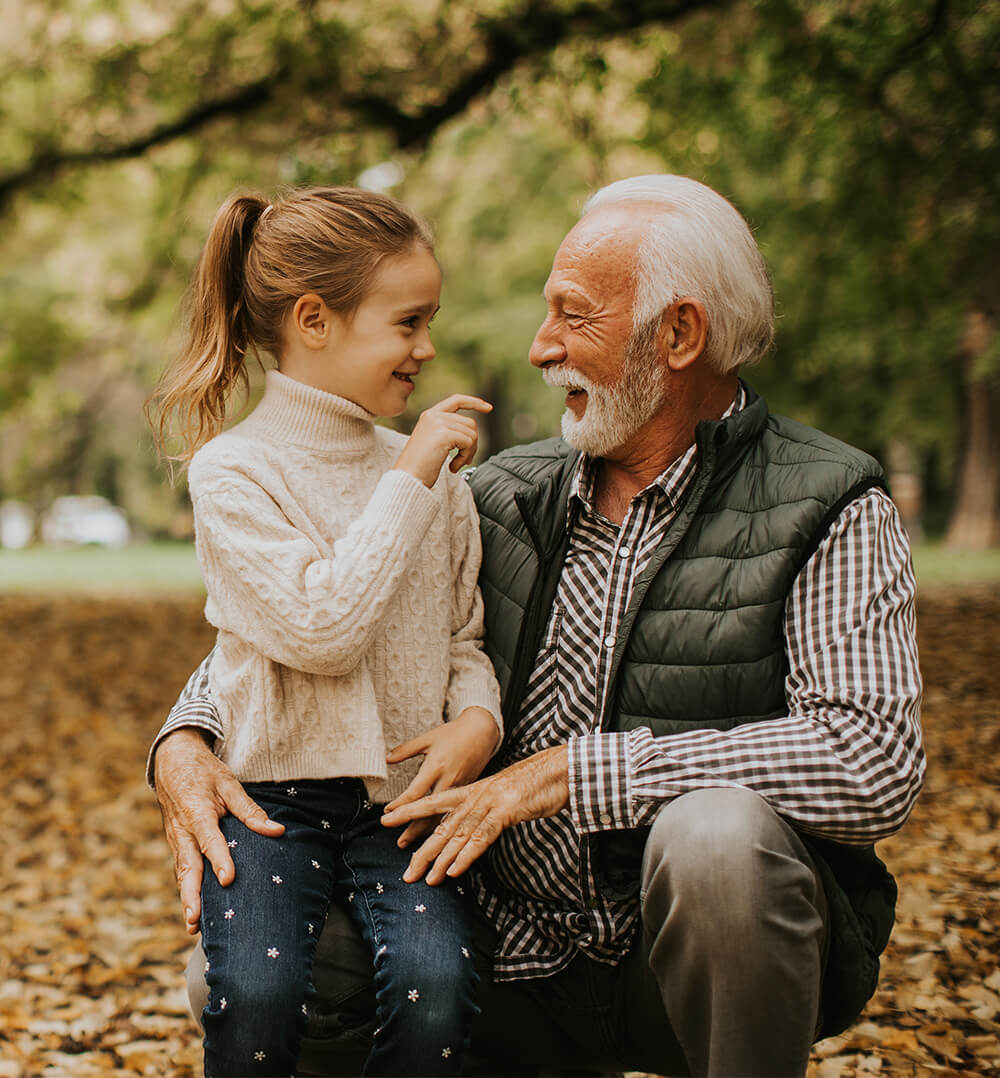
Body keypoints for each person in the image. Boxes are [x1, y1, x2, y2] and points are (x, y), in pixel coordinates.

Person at [149, 175, 924, 1078]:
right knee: (237, 977)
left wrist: (582, 774)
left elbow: (872, 763)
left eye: (573, 315)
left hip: (681, 971)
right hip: (501, 948)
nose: (538, 346)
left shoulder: (827, 502)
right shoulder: (496, 494)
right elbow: (309, 615)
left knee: (717, 841)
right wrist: (185, 739)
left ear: (678, 334)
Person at [146, 186, 503, 1077]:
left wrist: (479, 720)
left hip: (405, 806)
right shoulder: (234, 473)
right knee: (259, 1001)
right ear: (314, 319)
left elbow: (463, 638)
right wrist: (412, 473)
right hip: (273, 803)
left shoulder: (436, 480)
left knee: (439, 992)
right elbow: (323, 628)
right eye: (407, 322)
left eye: (430, 322)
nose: (425, 348)